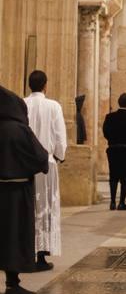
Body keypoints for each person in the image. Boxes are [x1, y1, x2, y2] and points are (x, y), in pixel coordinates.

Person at [0, 85, 49, 294]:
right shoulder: (19, 129)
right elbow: (40, 157)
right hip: (16, 193)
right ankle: (12, 283)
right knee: (15, 236)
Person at [24, 70, 67, 270]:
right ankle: (41, 254)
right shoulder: (54, 106)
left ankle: (25, 252)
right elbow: (59, 136)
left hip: (25, 164)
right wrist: (60, 155)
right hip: (47, 164)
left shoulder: (22, 104)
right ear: (45, 85)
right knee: (45, 207)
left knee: (28, 207)